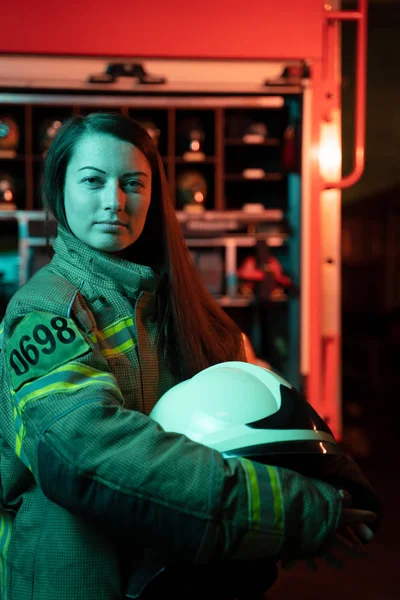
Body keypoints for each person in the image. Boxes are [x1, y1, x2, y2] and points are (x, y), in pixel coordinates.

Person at [0, 112, 377, 600]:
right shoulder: (44, 310)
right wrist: (293, 509)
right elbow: (86, 455)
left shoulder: (177, 306)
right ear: (59, 189)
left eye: (133, 182)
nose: (113, 201)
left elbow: (247, 423)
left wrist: (329, 474)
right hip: (75, 581)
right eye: (92, 180)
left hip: (172, 578)